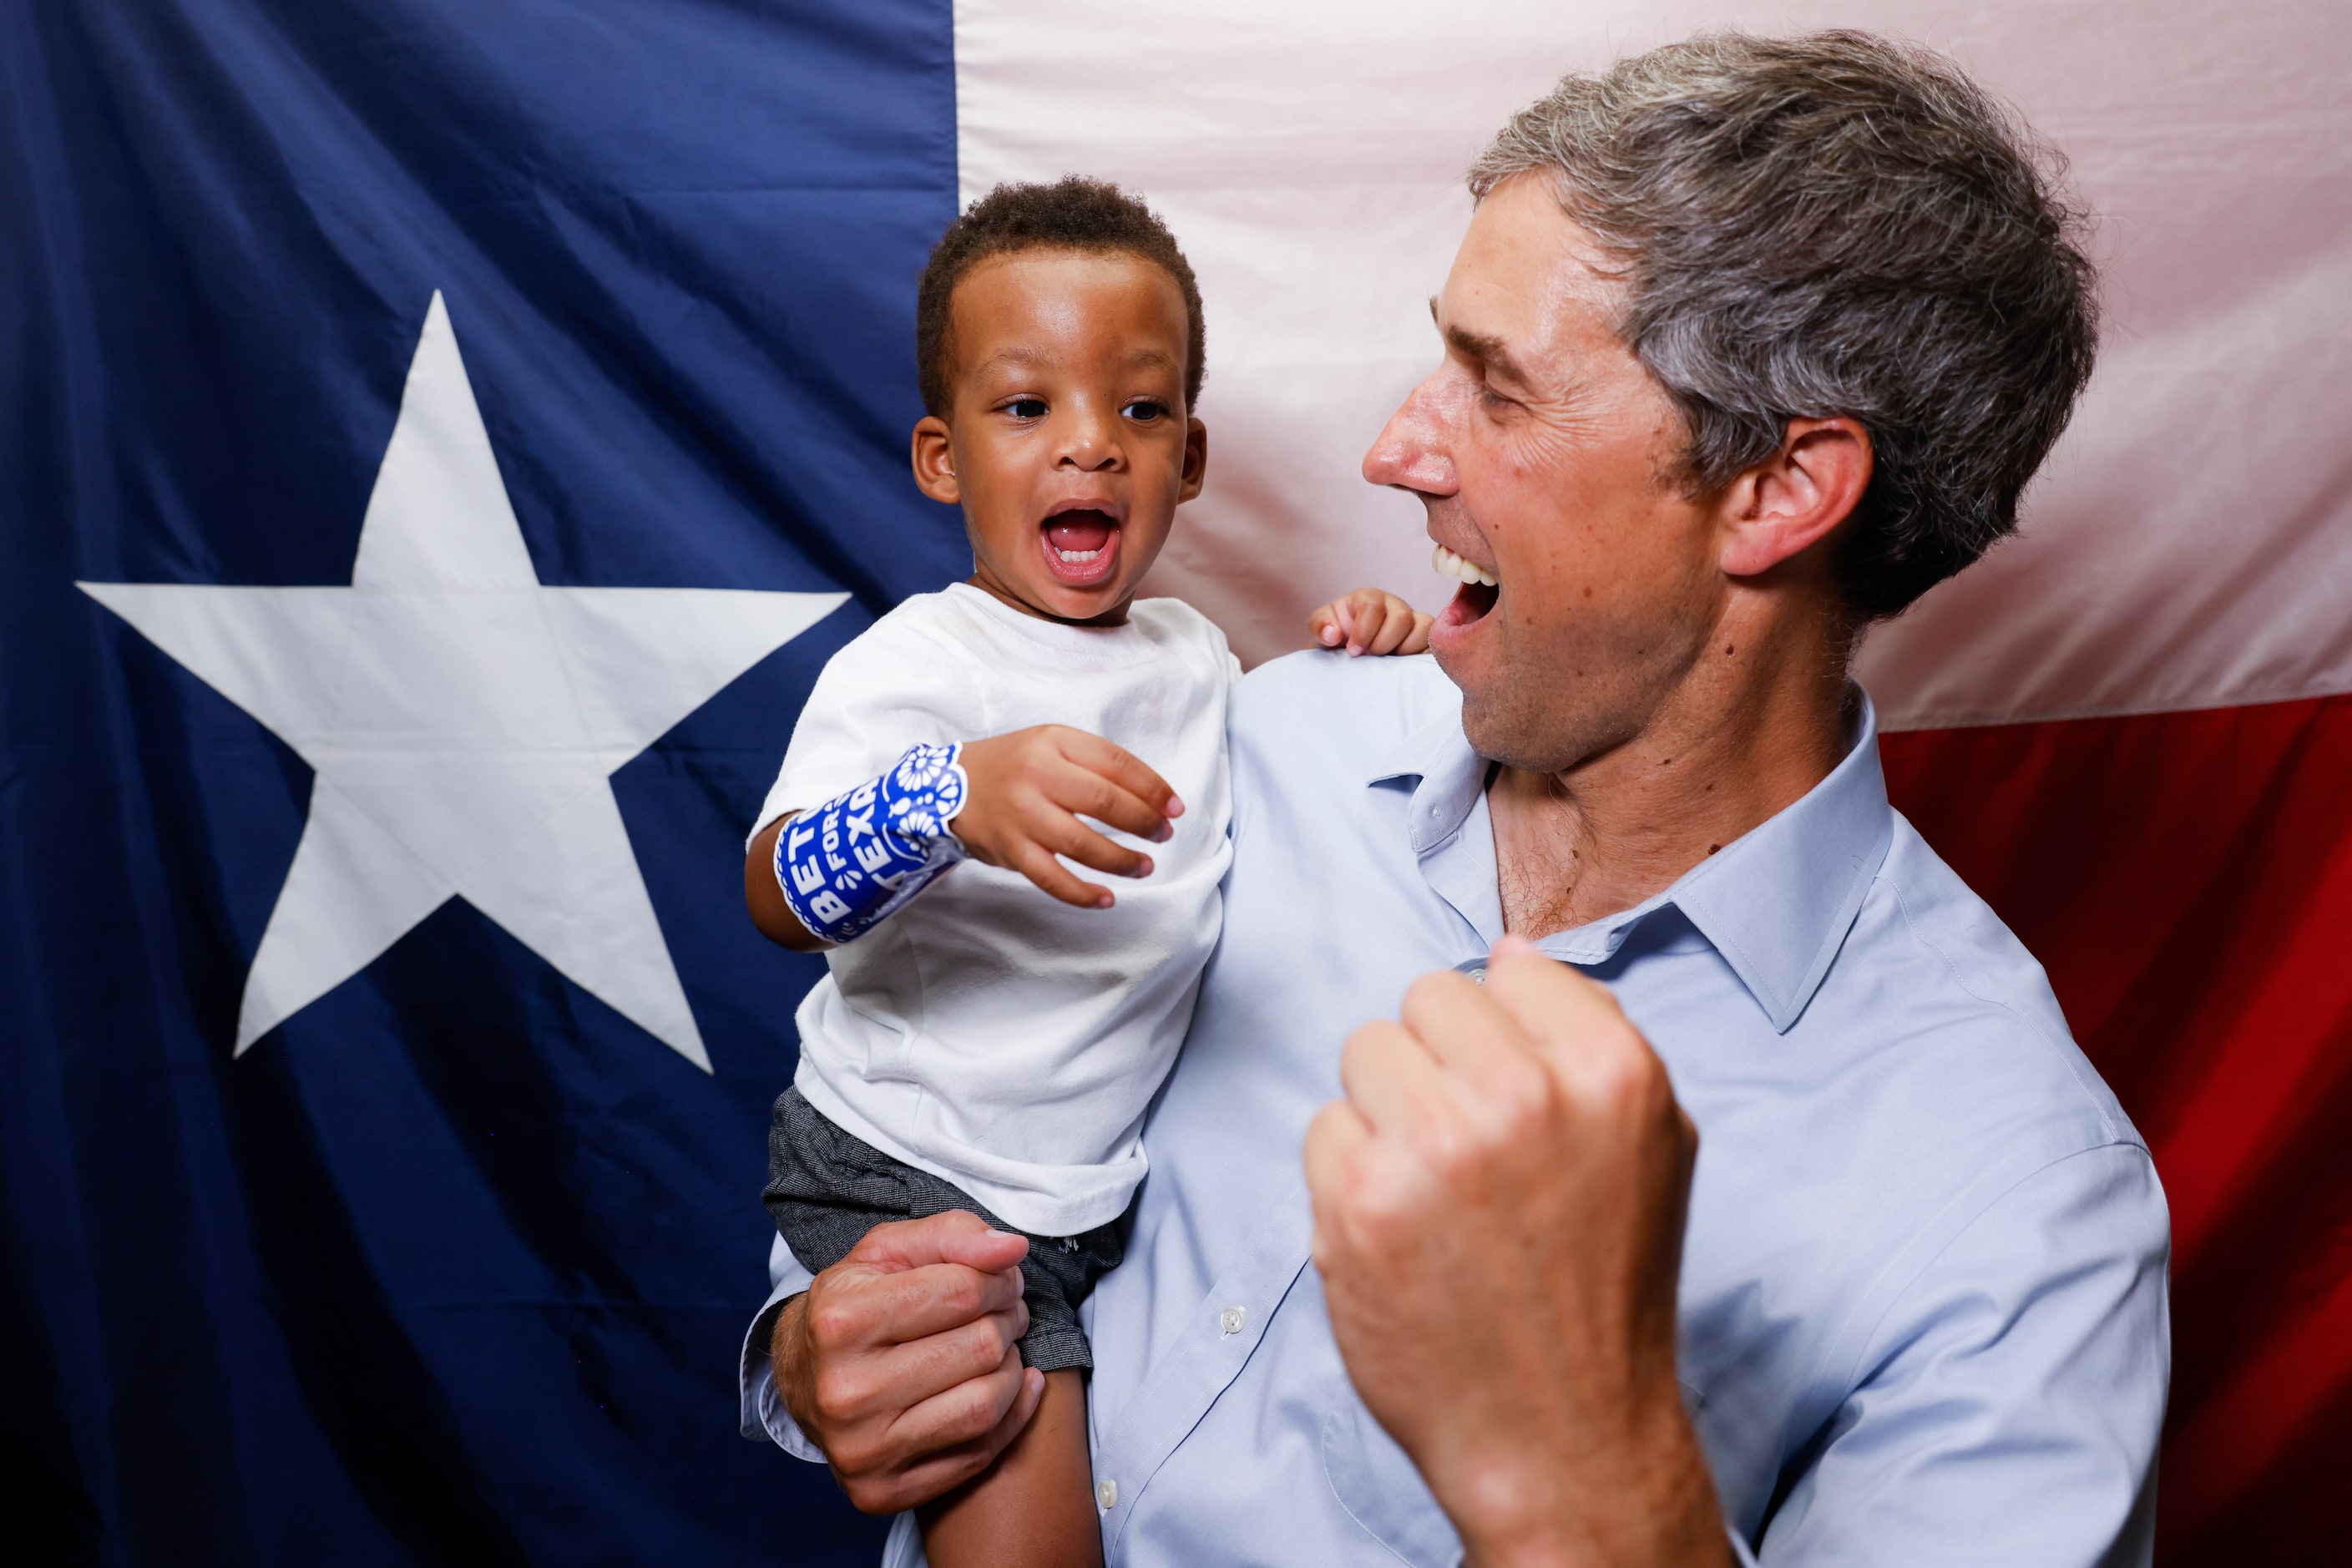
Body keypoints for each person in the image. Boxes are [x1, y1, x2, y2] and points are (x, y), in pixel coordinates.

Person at [743, 33, 2171, 1566]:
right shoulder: (1253, 748)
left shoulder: (2021, 1214)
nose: (1391, 449)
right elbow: (957, 1078)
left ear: (1775, 488)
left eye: (1494, 388)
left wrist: (1593, 1470)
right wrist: (818, 1346)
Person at [741, 179, 1430, 1567]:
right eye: (1025, 409)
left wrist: (1373, 641)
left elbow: (1272, 784)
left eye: (1137, 409)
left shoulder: (1185, 653)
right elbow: (773, 891)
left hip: (1093, 1188)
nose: (1089, 449)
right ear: (940, 459)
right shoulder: (922, 667)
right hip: (915, 1174)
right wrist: (949, 799)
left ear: (1188, 456)